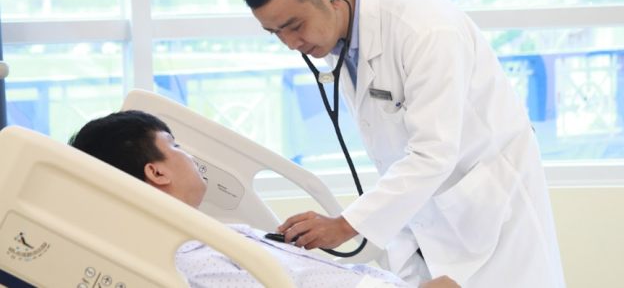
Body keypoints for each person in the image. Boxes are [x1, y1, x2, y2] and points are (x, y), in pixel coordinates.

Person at [240, 0, 566, 288]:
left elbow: (433, 153)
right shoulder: (339, 39)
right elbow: (398, 155)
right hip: (430, 215)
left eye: (294, 25)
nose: (290, 44)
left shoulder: (425, 28)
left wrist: (343, 226)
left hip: (493, 211)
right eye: (275, 33)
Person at [68, 110, 459, 288]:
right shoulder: (193, 257)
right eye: (176, 146)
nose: (190, 156)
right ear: (156, 172)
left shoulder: (205, 240)